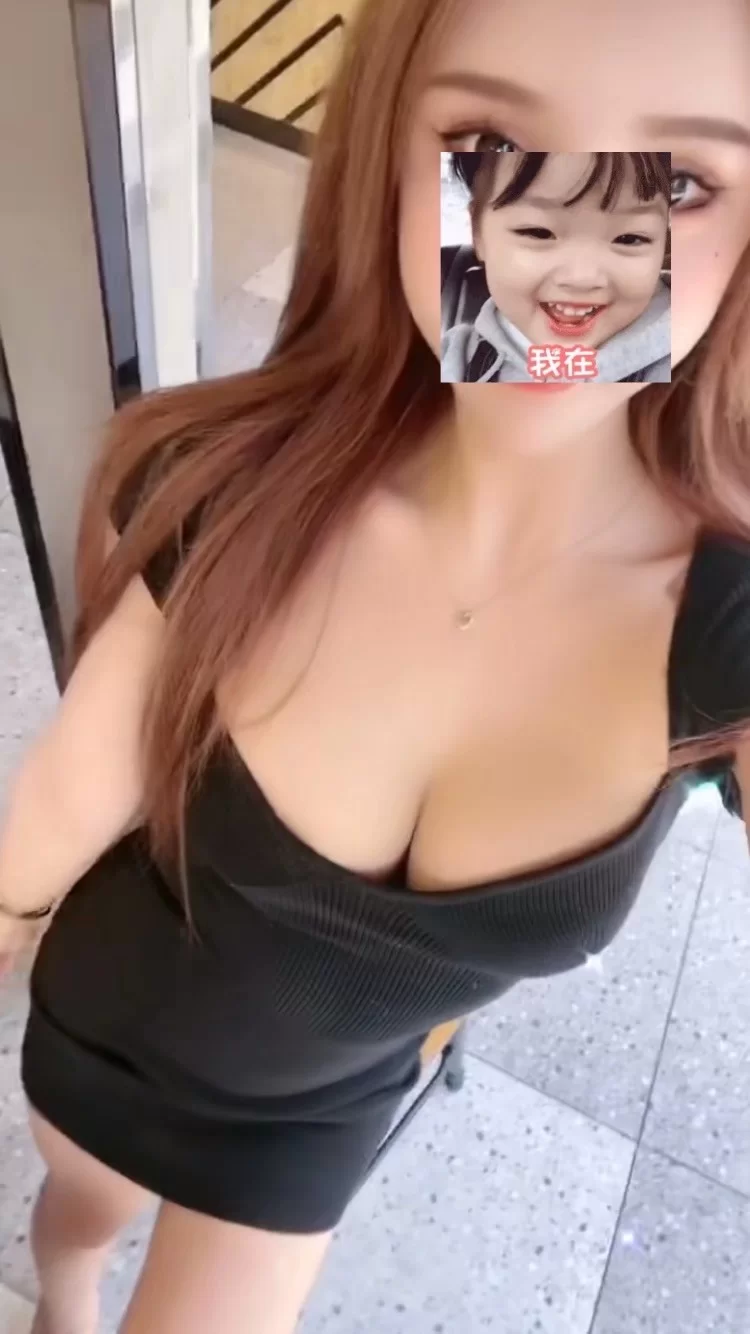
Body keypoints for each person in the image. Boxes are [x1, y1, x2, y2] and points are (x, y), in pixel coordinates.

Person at [1, 0, 749, 1330]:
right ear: (385, 160)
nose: (570, 269)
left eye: (680, 181)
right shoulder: (231, 489)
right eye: (488, 143)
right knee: (80, 1219)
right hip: (121, 1020)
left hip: (320, 1113)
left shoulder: (726, 626)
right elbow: (57, 810)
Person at [441, 150, 672, 383]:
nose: (581, 279)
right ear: (477, 233)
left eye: (629, 239)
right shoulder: (454, 361)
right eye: (538, 232)